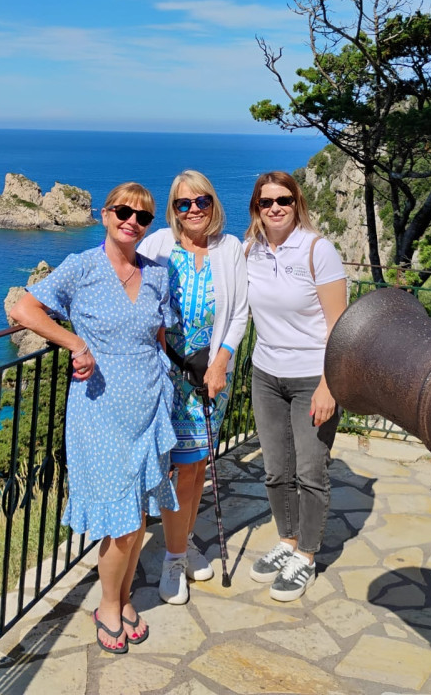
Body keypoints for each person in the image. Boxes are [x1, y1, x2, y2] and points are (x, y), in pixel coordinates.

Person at [9, 182, 177, 655]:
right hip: (101, 410)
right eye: (123, 212)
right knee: (120, 516)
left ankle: (122, 599)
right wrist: (75, 344)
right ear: (104, 215)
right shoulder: (81, 267)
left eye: (142, 217)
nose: (132, 221)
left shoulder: (158, 274)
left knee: (139, 510)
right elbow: (24, 308)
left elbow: (157, 336)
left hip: (149, 405)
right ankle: (106, 605)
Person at [139, 169, 248, 605]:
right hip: (164, 376)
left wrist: (221, 362)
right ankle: (174, 556)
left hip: (210, 377)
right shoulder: (158, 244)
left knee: (197, 466)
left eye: (201, 200)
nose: (194, 210)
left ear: (213, 203)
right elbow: (129, 280)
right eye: (183, 204)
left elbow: (239, 311)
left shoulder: (230, 248)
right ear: (174, 210)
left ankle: (179, 547)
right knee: (173, 466)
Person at [244, 170, 347, 602]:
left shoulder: (317, 251)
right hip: (265, 374)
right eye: (266, 202)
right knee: (275, 469)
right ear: (257, 208)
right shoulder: (249, 251)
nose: (275, 208)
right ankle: (286, 540)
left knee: (310, 472)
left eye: (283, 200)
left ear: (296, 203)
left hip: (312, 377)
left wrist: (330, 385)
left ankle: (305, 555)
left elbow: (340, 326)